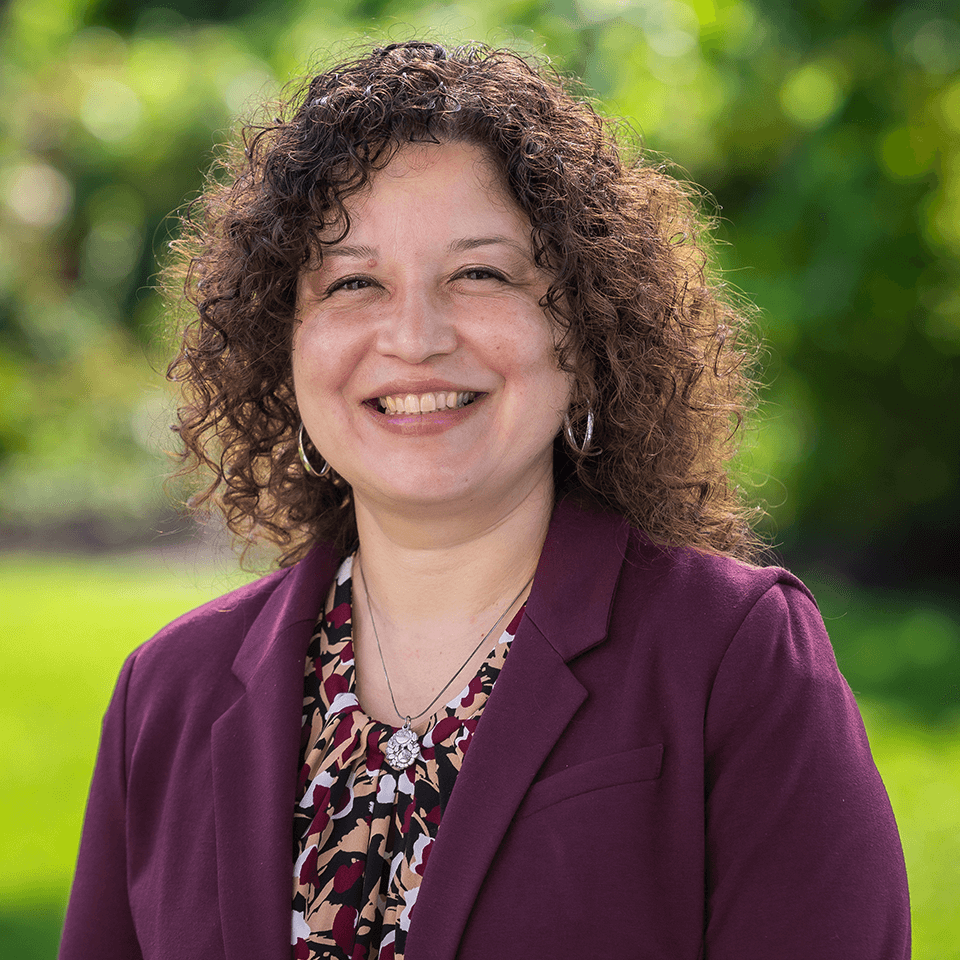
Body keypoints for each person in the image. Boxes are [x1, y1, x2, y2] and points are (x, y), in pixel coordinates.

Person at [59, 40, 910, 960]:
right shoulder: (167, 694)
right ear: (284, 342)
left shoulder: (732, 656)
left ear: (582, 327)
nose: (414, 337)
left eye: (480, 274)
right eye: (353, 282)